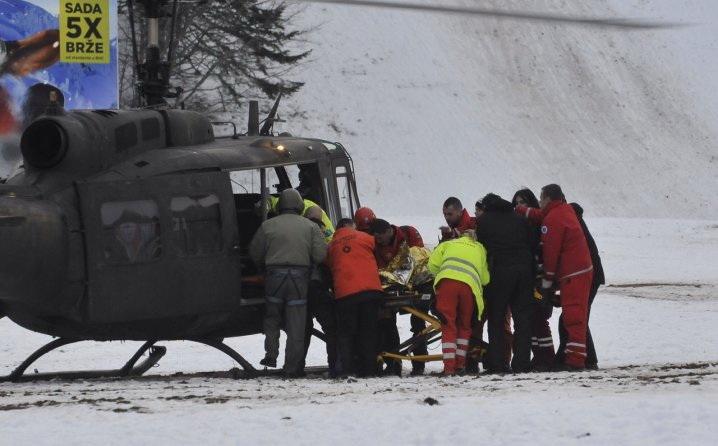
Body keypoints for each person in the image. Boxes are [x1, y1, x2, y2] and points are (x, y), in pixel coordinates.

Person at [250, 189, 328, 377]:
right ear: (300, 205)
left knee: (272, 317)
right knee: (296, 324)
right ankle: (292, 368)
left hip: (274, 278)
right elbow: (320, 255)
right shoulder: (310, 227)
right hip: (299, 279)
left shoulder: (267, 226)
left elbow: (255, 252)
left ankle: (271, 354)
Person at [476, 194, 538, 373]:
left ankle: (498, 363)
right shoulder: (520, 219)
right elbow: (532, 243)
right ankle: (522, 363)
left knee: (496, 318)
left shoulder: (484, 221)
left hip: (499, 273)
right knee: (522, 319)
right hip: (524, 272)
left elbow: (481, 249)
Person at [537, 184, 594, 370]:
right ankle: (577, 357)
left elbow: (551, 253)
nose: (538, 202)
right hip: (580, 271)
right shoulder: (564, 211)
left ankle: (575, 361)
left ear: (547, 199)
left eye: (540, 198)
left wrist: (547, 281)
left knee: (574, 317)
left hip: (573, 274)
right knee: (574, 315)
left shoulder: (553, 219)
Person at [368, 218, 428, 376]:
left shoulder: (408, 235)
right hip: (392, 288)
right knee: (387, 323)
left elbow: (418, 259)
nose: (379, 242)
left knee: (418, 323)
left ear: (388, 231)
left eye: (380, 238)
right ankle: (394, 363)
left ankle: (419, 364)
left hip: (418, 285)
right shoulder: (376, 244)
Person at [326, 218, 384, 377]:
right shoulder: (364, 237)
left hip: (345, 295)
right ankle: (369, 370)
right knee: (368, 331)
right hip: (370, 291)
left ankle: (348, 369)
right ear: (350, 227)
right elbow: (380, 250)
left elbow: (329, 265)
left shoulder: (331, 246)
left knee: (346, 333)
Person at [428, 229, 490, 375]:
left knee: (448, 325)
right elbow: (485, 279)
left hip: (447, 284)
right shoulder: (480, 249)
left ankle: (449, 368)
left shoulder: (449, 244)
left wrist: (443, 273)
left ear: (460, 237)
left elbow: (432, 265)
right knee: (464, 326)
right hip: (469, 288)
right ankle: (460, 366)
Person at [555, 203, 605, 369]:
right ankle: (584, 358)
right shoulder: (576, 225)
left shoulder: (572, 227)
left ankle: (584, 359)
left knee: (574, 319)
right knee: (576, 319)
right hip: (590, 277)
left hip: (588, 277)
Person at [512, 188, 555, 370]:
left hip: (539, 279)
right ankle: (539, 357)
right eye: (516, 203)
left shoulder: (538, 226)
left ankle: (547, 357)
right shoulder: (518, 227)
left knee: (539, 317)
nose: (519, 207)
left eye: (522, 202)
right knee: (530, 319)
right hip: (527, 279)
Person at [302, 217, 338, 376]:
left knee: (301, 330)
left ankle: (295, 367)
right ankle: (335, 366)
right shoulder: (317, 242)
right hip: (316, 289)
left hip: (297, 290)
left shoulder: (297, 240)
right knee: (331, 328)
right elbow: (324, 261)